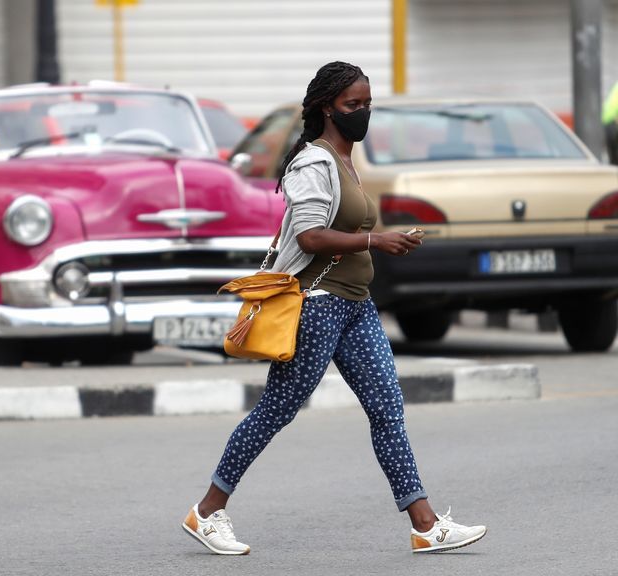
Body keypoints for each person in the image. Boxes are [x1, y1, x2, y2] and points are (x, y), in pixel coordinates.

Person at [181, 61, 487, 556]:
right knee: (277, 410)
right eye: (353, 105)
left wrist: (384, 241)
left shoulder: (347, 162)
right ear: (327, 108)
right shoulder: (311, 163)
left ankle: (426, 524)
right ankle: (208, 511)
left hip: (356, 306)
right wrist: (376, 239)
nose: (362, 113)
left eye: (367, 104)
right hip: (318, 305)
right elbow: (309, 236)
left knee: (387, 409)